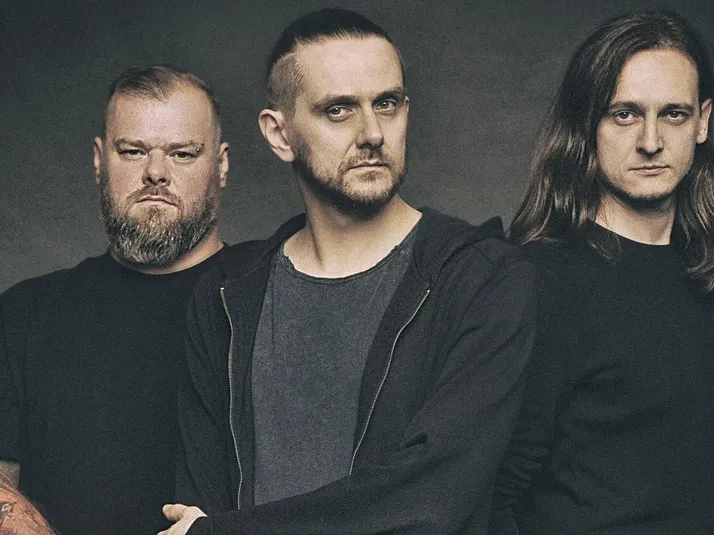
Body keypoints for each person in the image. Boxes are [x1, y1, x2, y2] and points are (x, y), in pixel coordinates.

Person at [161, 7, 536, 535]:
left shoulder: (483, 279)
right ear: (279, 134)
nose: (372, 133)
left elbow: (431, 500)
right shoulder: (226, 297)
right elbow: (198, 508)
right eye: (338, 110)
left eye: (387, 103)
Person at [489, 10, 714, 534]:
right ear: (588, 123)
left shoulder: (704, 270)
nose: (651, 141)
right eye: (625, 114)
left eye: (673, 114)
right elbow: (492, 493)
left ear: (703, 121)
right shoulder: (539, 281)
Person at [0, 64, 230, 535]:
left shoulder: (273, 293)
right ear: (99, 160)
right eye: (133, 151)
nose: (156, 173)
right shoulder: (24, 314)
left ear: (221, 166)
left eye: (183, 154)